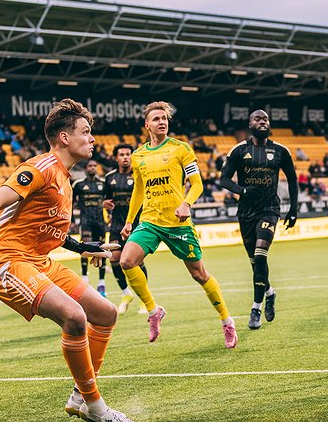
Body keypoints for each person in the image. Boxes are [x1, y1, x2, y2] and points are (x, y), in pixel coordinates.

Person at [0, 99, 132, 420]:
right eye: (85, 132)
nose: (92, 139)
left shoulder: (65, 179)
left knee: (105, 313)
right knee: (75, 317)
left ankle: (79, 395)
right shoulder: (41, 167)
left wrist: (82, 247)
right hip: (7, 260)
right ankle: (95, 406)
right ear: (64, 137)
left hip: (38, 260)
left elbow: (49, 229)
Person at [119, 101, 238, 347]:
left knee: (199, 274)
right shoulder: (138, 155)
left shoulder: (181, 149)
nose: (162, 122)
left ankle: (227, 321)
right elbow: (138, 190)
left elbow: (197, 184)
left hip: (177, 223)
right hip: (150, 220)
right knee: (126, 261)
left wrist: (186, 204)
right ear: (147, 125)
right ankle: (154, 311)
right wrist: (129, 221)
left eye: (164, 118)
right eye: (156, 119)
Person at [219, 109, 299, 330]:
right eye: (258, 119)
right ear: (250, 124)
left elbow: (292, 180)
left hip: (269, 210)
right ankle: (270, 292)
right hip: (246, 213)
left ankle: (256, 308)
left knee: (260, 253)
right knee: (256, 262)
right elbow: (224, 179)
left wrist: (293, 210)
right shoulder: (239, 150)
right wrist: (242, 191)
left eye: (265, 119)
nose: (262, 122)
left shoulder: (281, 150)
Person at [102, 144, 150, 314]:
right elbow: (107, 199)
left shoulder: (139, 174)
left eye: (128, 154)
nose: (125, 157)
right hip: (116, 224)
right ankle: (126, 294)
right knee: (114, 259)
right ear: (116, 158)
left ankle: (144, 300)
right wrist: (105, 204)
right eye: (121, 154)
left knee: (137, 261)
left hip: (136, 223)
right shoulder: (109, 178)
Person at [72, 159, 109, 295]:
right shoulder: (78, 185)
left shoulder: (103, 184)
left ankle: (101, 283)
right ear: (85, 169)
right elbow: (70, 203)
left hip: (100, 222)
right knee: (84, 247)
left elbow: (109, 201)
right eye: (90, 166)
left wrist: (110, 215)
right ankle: (84, 278)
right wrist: (71, 220)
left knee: (102, 249)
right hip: (86, 222)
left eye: (95, 165)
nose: (93, 168)